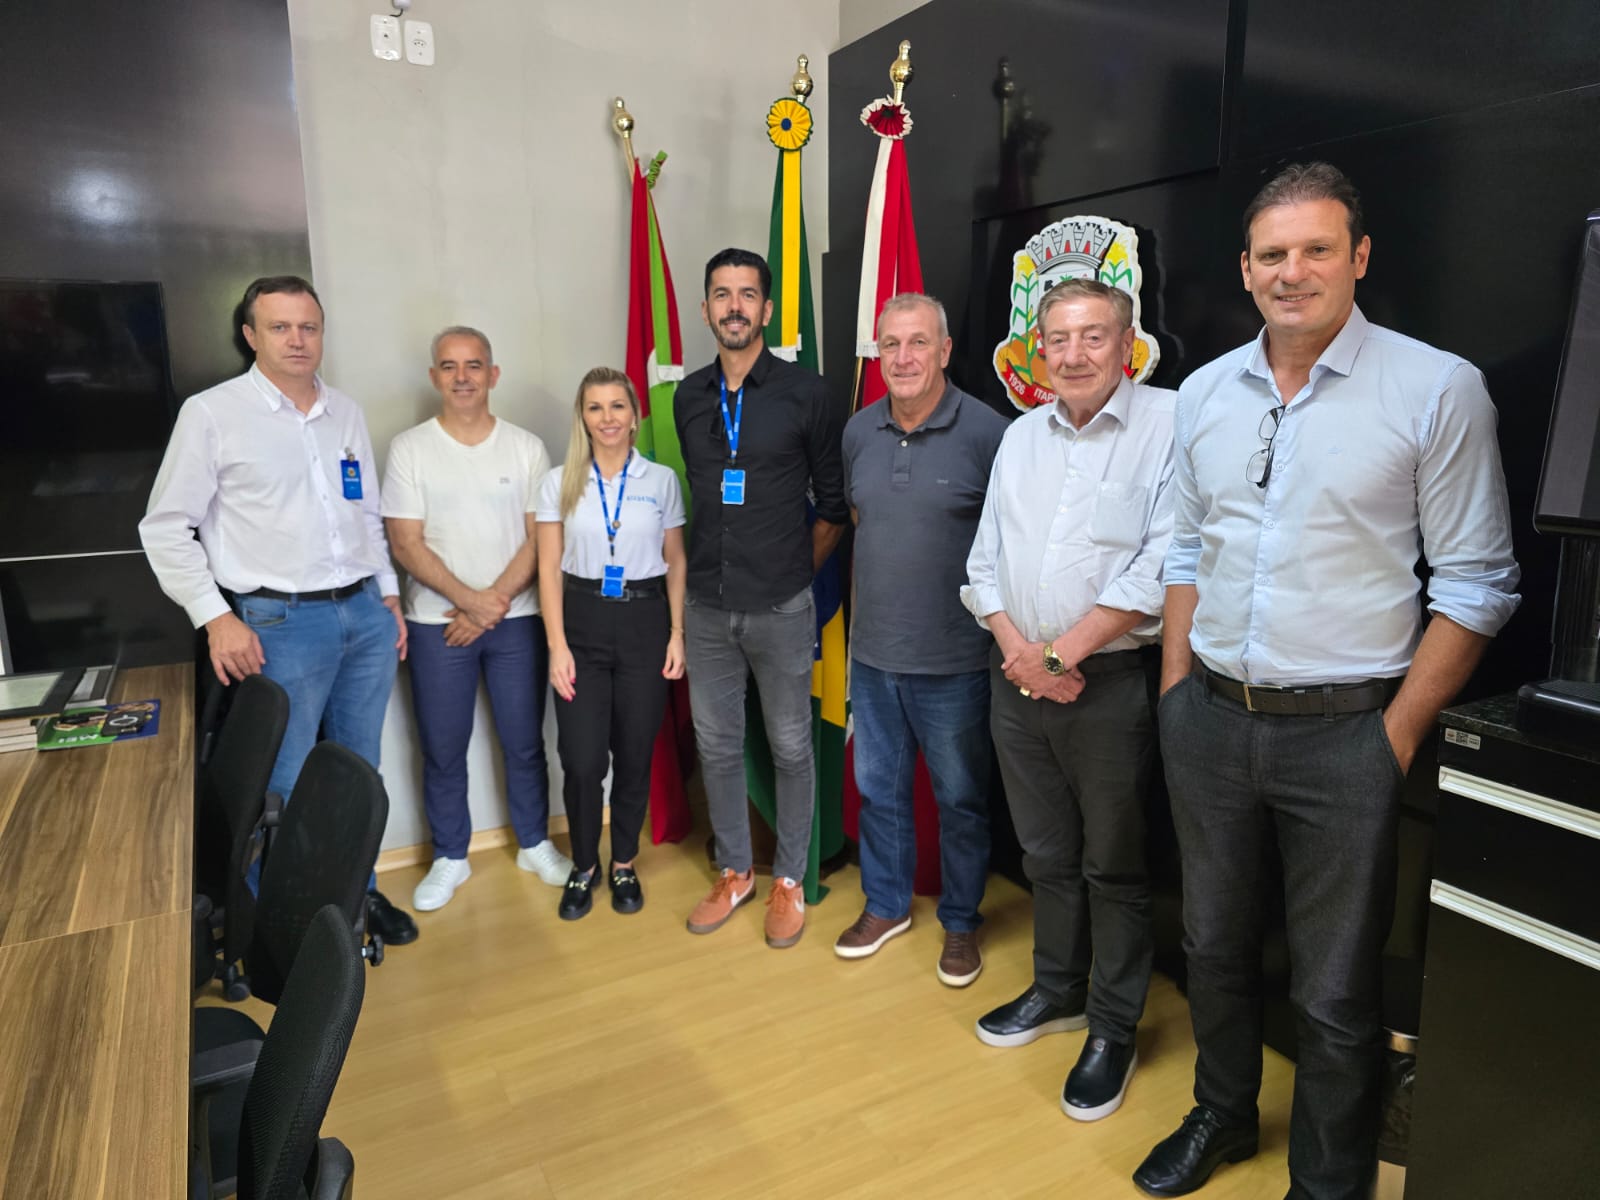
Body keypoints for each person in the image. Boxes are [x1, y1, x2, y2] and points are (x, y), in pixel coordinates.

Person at [1134, 162, 1520, 1199]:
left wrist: (1392, 737)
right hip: (1209, 719)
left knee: (1336, 988)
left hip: (1348, 736)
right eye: (1272, 253)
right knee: (1211, 945)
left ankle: (1328, 1182)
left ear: (1359, 257)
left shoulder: (1435, 389)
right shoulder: (1205, 392)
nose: (1291, 271)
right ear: (1244, 269)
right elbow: (1186, 549)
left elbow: (1478, 583)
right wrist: (1175, 691)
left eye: (1316, 249)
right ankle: (1221, 1115)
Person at [140, 274, 418, 946]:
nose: (298, 340)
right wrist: (216, 616)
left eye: (309, 327)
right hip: (279, 625)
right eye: (280, 327)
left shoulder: (344, 412)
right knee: (284, 784)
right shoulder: (213, 414)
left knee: (359, 771)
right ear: (250, 335)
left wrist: (388, 594)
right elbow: (165, 527)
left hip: (364, 615)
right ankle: (282, 925)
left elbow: (367, 513)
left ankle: (358, 895)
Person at [962, 277, 1175, 1123]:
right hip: (1017, 679)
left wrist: (1059, 655)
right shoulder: (1021, 438)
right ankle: (1058, 991)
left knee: (1113, 867)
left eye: (1093, 336)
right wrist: (1023, 655)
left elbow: (1163, 567)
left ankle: (1113, 1028)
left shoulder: (1168, 425)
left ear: (1127, 344)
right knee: (1044, 855)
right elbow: (983, 562)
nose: (1075, 354)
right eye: (1059, 338)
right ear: (1038, 350)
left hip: (1108, 687)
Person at [833, 292, 1008, 986]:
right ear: (877, 354)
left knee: (960, 800)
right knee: (879, 791)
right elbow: (862, 518)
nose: (903, 357)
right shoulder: (858, 432)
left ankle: (961, 921)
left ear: (944, 350)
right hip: (874, 656)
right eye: (890, 344)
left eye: (918, 343)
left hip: (956, 660)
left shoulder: (989, 433)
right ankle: (886, 905)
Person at [676, 247, 848, 948]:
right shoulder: (689, 397)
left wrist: (793, 574)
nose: (735, 307)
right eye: (722, 294)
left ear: (768, 309)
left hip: (781, 606)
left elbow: (833, 506)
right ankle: (735, 870)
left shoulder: (808, 393)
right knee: (716, 746)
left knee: (790, 745)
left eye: (748, 294)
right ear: (706, 309)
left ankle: (789, 880)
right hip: (707, 606)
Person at [380, 326, 572, 913]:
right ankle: (450, 856)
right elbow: (405, 542)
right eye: (449, 366)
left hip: (517, 621)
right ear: (434, 376)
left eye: (473, 365)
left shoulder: (526, 447)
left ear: (493, 374)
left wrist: (489, 604)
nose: (462, 377)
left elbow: (540, 539)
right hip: (437, 625)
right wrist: (472, 601)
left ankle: (535, 843)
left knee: (524, 742)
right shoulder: (410, 448)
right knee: (442, 746)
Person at [535, 367, 686, 920]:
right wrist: (557, 645)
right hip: (581, 623)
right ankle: (584, 865)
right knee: (581, 759)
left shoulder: (660, 480)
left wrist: (677, 633)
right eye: (595, 407)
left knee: (635, 751)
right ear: (583, 417)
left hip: (645, 623)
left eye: (617, 406)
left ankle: (623, 861)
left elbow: (676, 561)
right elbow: (548, 568)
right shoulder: (558, 482)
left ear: (634, 415)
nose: (607, 418)